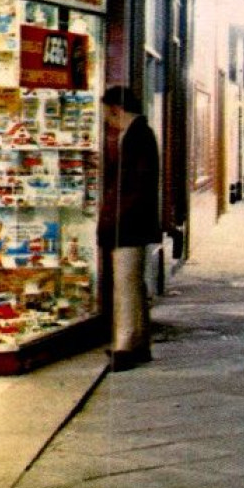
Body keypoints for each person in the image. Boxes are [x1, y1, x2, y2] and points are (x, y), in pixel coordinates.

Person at [100, 85, 160, 370]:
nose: (106, 121)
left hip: (129, 222)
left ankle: (125, 346)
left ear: (116, 109)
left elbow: (136, 186)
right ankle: (140, 343)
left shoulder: (137, 135)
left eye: (107, 114)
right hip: (134, 220)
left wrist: (116, 217)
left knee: (125, 286)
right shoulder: (138, 133)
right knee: (133, 284)